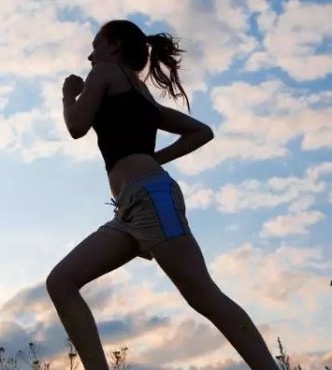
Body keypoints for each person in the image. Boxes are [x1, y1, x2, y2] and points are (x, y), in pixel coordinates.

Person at [46, 19, 279, 370]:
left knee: (202, 294)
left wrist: (68, 96)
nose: (90, 54)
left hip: (151, 198)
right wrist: (152, 158)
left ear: (115, 46)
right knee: (61, 282)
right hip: (129, 211)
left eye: (95, 44)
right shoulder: (140, 96)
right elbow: (200, 131)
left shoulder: (106, 72)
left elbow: (77, 125)